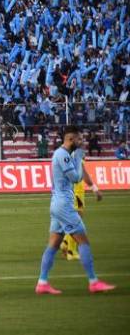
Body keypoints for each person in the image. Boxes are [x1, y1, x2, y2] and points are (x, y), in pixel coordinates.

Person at [36, 126, 116, 295]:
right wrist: (79, 159)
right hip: (64, 205)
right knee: (83, 241)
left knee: (54, 244)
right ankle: (93, 282)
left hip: (57, 203)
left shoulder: (63, 154)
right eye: (79, 139)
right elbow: (75, 178)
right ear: (70, 139)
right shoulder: (63, 155)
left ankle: (42, 283)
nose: (81, 142)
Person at [61, 151, 103, 261]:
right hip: (77, 192)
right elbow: (84, 174)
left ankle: (65, 243)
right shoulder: (78, 155)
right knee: (76, 221)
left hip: (69, 191)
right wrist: (95, 189)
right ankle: (71, 251)